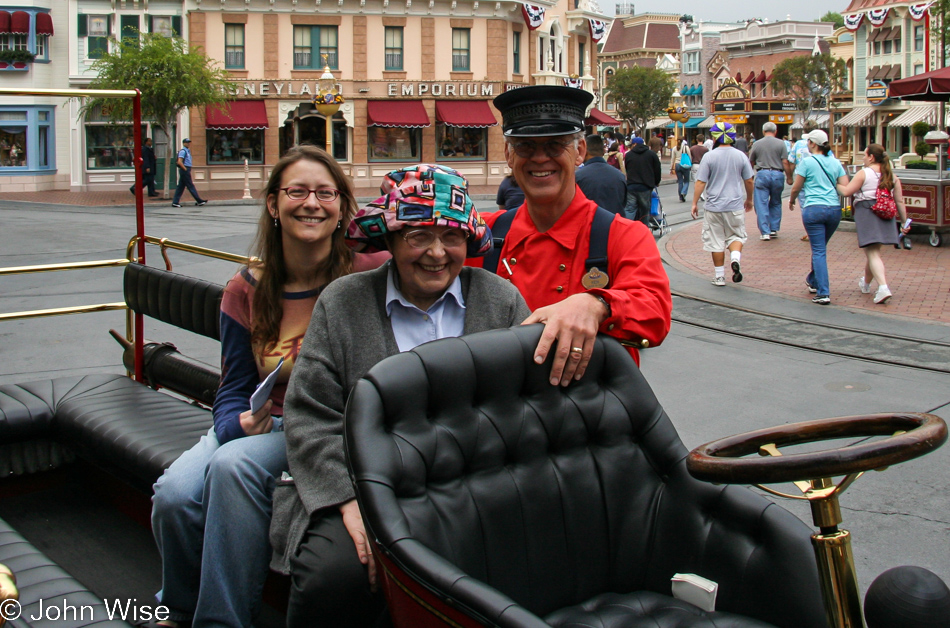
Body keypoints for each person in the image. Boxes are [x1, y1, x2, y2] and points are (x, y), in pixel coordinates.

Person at [272, 164, 531, 628]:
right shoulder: (343, 301)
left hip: (477, 489)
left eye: (451, 237)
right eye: (417, 236)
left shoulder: (501, 301)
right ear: (389, 240)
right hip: (367, 488)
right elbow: (310, 415)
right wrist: (344, 500)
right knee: (334, 578)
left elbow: (530, 409)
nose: (436, 253)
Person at [150, 145, 388, 628]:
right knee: (174, 495)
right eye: (296, 191)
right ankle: (175, 607)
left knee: (232, 469)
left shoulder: (370, 275)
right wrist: (235, 424)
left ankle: (222, 619)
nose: (311, 203)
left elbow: (442, 265)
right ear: (273, 203)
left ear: (343, 205)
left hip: (317, 427)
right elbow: (234, 385)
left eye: (325, 192)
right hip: (259, 422)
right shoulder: (247, 288)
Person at [475, 85, 671, 383]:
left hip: (587, 419)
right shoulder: (481, 233)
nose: (540, 158)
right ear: (509, 155)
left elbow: (655, 314)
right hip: (499, 418)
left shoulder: (624, 236)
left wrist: (597, 304)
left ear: (579, 151)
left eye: (555, 146)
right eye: (526, 147)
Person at [835, 144, 911, 304]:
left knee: (872, 252)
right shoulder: (891, 175)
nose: (863, 158)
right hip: (886, 214)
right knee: (874, 251)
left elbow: (847, 191)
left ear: (871, 157)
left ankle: (883, 287)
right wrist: (904, 221)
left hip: (867, 212)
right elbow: (899, 201)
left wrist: (836, 184)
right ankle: (866, 283)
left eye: (865, 154)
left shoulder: (864, 173)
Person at [788, 130, 848, 305]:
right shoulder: (835, 163)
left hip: (813, 209)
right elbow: (844, 185)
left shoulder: (807, 162)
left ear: (813, 144)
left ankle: (823, 292)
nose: (807, 144)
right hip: (834, 210)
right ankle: (813, 280)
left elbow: (796, 187)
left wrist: (791, 200)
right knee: (820, 248)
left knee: (819, 250)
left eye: (809, 142)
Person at [690, 122, 754, 287]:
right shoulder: (741, 156)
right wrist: (749, 199)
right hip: (735, 205)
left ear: (714, 137)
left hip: (714, 206)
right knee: (737, 235)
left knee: (716, 240)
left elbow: (700, 182)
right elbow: (749, 180)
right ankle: (735, 258)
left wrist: (695, 203)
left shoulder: (709, 156)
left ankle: (719, 276)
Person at [748, 121, 788, 240]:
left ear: (763, 131)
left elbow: (751, 161)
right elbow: (785, 161)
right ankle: (774, 228)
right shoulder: (781, 144)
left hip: (762, 173)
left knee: (761, 203)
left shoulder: (757, 144)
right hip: (777, 173)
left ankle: (765, 231)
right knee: (776, 201)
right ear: (776, 131)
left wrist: (750, 175)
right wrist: (789, 176)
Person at [785, 120, 821, 242]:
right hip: (818, 178)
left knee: (805, 206)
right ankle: (817, 230)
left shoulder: (799, 144)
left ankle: (810, 231)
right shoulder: (821, 143)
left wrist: (789, 177)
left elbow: (791, 161)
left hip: (803, 179)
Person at [576, 134, 628, 215]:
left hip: (589, 225)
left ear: (585, 151)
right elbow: (623, 204)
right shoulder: (619, 176)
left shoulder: (578, 177)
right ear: (603, 152)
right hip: (615, 225)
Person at [623, 136, 662, 224]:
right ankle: (643, 230)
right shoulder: (652, 154)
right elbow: (657, 170)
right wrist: (656, 182)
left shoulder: (628, 155)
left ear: (635, 144)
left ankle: (627, 228)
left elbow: (627, 169)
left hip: (631, 186)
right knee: (645, 210)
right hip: (645, 186)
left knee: (630, 209)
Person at [172, 138, 208, 208]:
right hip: (185, 169)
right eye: (187, 142)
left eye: (189, 142)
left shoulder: (188, 151)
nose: (188, 143)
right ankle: (199, 201)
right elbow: (179, 161)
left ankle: (175, 202)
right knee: (190, 186)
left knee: (180, 187)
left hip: (186, 169)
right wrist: (185, 169)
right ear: (184, 143)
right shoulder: (183, 151)